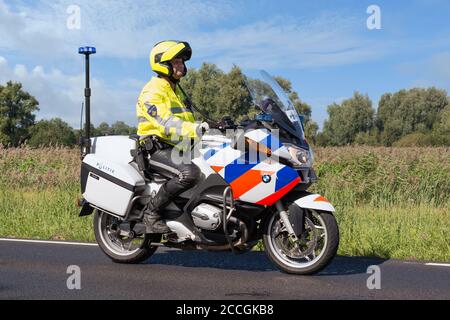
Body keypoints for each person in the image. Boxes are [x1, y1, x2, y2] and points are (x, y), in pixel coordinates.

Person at [135, 40, 209, 233]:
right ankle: (151, 213)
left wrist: (217, 126)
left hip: (180, 148)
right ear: (162, 63)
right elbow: (166, 122)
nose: (181, 65)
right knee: (189, 173)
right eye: (176, 61)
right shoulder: (152, 90)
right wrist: (197, 129)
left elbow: (187, 121)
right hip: (157, 149)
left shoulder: (175, 91)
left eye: (182, 61)